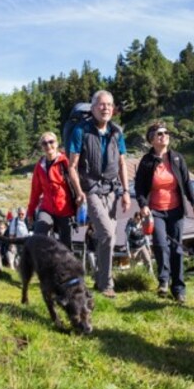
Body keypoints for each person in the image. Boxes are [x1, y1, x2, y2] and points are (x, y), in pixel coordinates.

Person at [68, 90, 131, 298]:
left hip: (112, 190)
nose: (106, 108)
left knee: (109, 239)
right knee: (107, 233)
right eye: (101, 105)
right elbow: (72, 166)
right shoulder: (81, 131)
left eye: (109, 105)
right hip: (90, 190)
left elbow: (122, 163)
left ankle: (98, 277)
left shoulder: (116, 132)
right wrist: (79, 193)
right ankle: (106, 284)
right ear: (93, 108)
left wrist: (126, 191)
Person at [134, 121, 194, 304]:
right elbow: (139, 187)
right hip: (155, 211)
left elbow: (187, 183)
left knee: (177, 249)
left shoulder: (177, 158)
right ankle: (163, 281)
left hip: (176, 210)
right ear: (152, 140)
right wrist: (143, 205)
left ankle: (179, 289)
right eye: (159, 134)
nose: (164, 136)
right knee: (161, 245)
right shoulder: (147, 161)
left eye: (166, 133)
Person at [27, 132, 76, 249]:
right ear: (42, 147)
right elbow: (35, 191)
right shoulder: (39, 166)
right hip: (47, 209)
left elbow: (77, 183)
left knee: (66, 246)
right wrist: (30, 212)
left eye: (51, 142)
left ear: (57, 143)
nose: (48, 145)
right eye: (44, 143)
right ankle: (42, 264)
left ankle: (65, 267)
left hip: (65, 210)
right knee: (38, 236)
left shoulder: (66, 162)